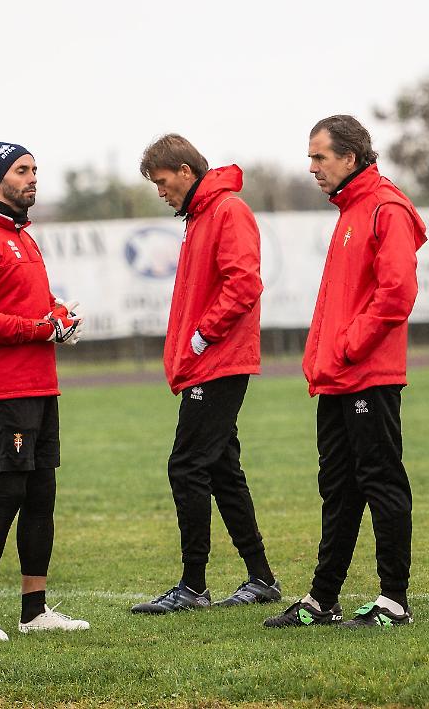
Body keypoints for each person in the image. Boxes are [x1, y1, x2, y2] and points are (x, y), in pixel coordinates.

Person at [264, 115, 427, 629]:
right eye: (310, 158)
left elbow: (397, 293)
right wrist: (327, 357)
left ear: (350, 158)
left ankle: (394, 601)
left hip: (368, 376)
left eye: (320, 157)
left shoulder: (385, 207)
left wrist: (350, 347)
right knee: (337, 488)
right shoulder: (351, 209)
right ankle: (322, 600)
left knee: (381, 481)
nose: (312, 167)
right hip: (339, 377)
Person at [130, 133, 281, 614]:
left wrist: (203, 335)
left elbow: (244, 283)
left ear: (186, 171)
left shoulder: (227, 211)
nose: (160, 191)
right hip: (208, 361)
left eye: (162, 181)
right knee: (220, 470)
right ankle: (261, 578)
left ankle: (193, 585)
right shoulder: (200, 216)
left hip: (219, 361)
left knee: (187, 466)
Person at [0, 141, 88, 641]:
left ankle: (34, 610)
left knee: (41, 494)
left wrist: (60, 316)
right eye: (22, 170)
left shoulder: (23, 237)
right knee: (8, 492)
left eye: (34, 169)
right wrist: (43, 329)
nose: (32, 178)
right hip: (3, 390)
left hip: (41, 385)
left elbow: (37, 303)